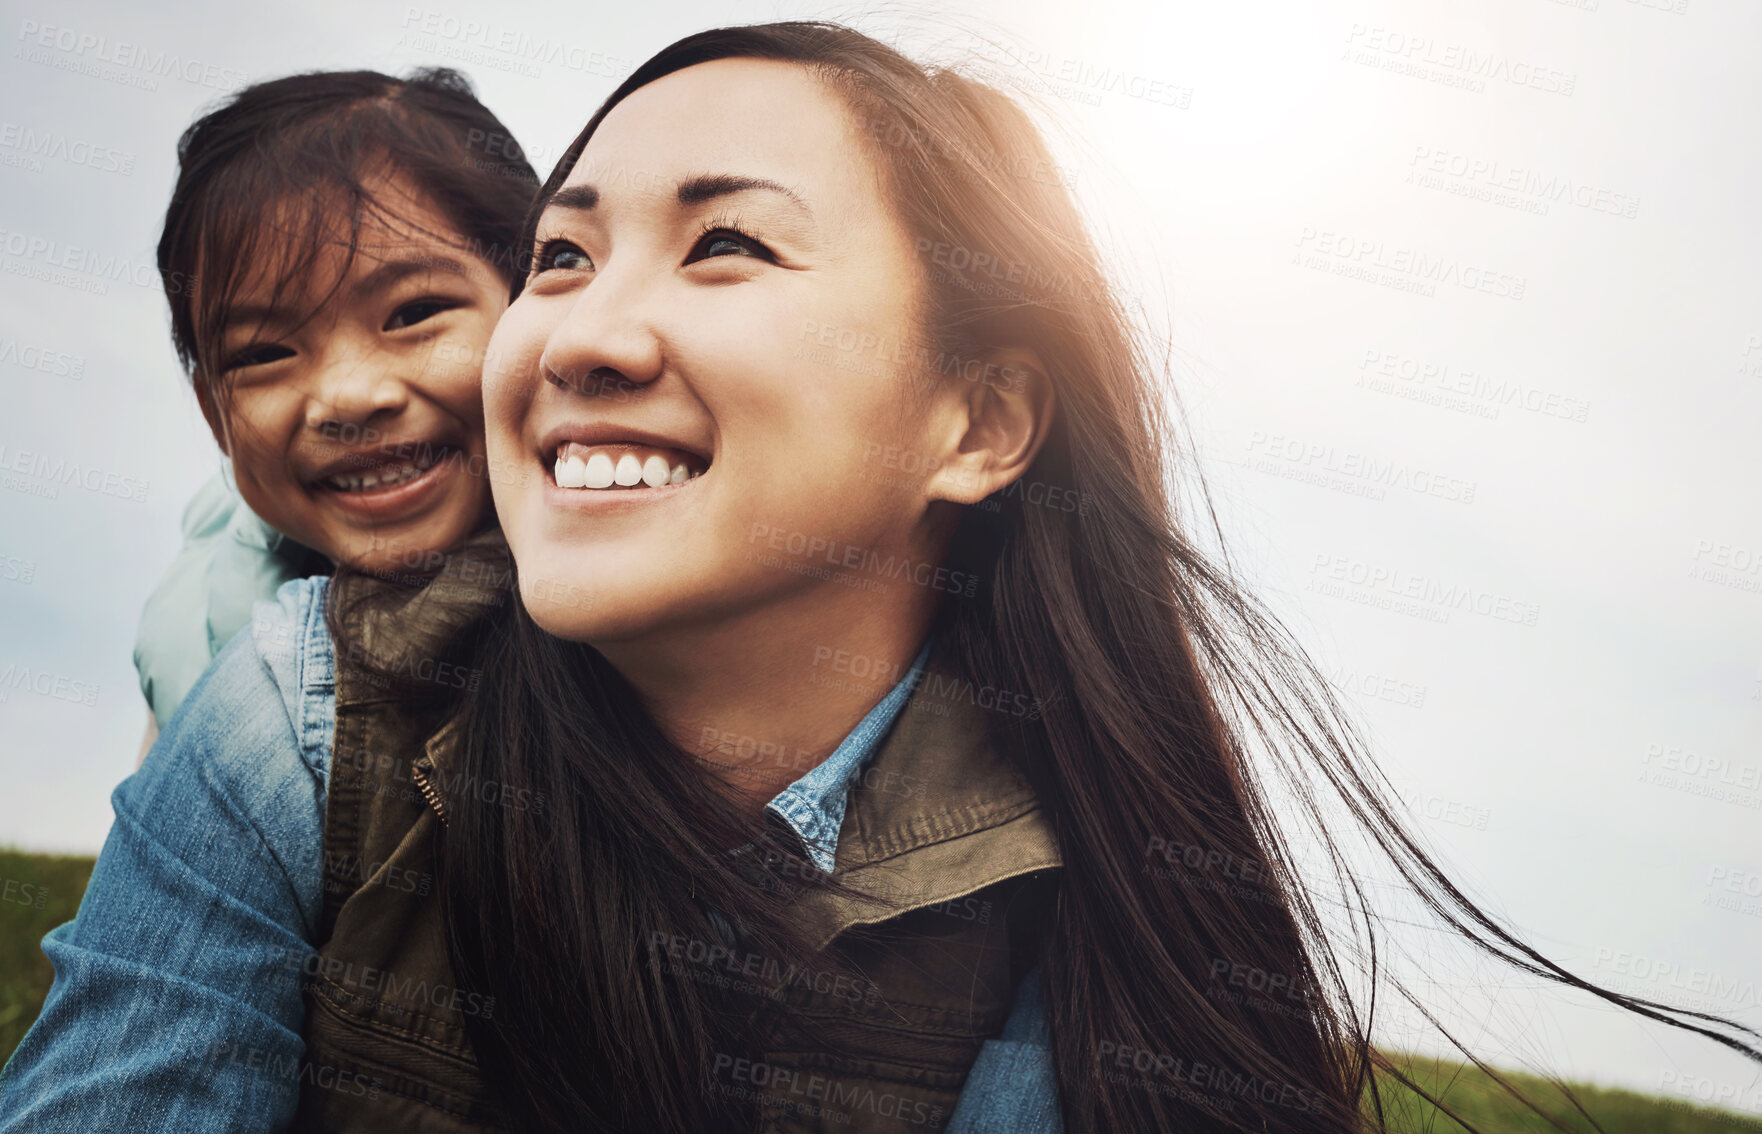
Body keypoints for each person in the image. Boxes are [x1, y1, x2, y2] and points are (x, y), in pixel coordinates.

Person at [4, 22, 1755, 1134]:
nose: (586, 328)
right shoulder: (305, 706)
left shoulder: (1102, 906)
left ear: (978, 418)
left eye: (727, 243)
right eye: (562, 252)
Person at [130, 66, 539, 757]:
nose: (348, 398)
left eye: (414, 313)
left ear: (541, 302)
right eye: (263, 355)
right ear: (213, 417)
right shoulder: (203, 661)